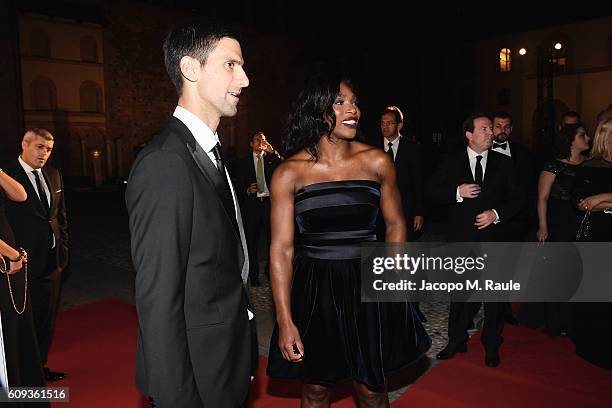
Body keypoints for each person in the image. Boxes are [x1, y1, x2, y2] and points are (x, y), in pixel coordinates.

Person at [266, 76, 430, 407]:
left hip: (367, 283)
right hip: (315, 288)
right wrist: (285, 320)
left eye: (354, 101)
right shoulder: (289, 172)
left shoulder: (376, 161)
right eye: (340, 102)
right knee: (315, 389)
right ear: (318, 111)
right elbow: (281, 251)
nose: (353, 109)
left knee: (371, 389)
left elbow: (397, 224)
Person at [126, 19, 255, 407]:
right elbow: (158, 298)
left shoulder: (210, 153)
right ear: (190, 69)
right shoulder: (165, 162)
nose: (244, 79)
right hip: (194, 380)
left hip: (222, 363)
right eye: (231, 65)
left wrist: (242, 351)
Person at [426, 113, 523, 367]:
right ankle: (456, 340)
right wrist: (456, 192)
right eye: (485, 129)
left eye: (491, 128)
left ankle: (491, 344)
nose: (491, 132)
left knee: (494, 299)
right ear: (469, 134)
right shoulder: (451, 161)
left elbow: (519, 199)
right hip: (462, 240)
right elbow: (430, 192)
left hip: (494, 240)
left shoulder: (504, 163)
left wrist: (496, 214)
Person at [4, 128, 69, 382]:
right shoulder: (7, 175)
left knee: (45, 320)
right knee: (23, 321)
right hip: (21, 263)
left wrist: (63, 252)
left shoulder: (54, 174)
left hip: (52, 263)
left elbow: (61, 217)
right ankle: (20, 373)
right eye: (39, 147)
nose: (44, 153)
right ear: (25, 144)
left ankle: (39, 367)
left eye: (49, 149)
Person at [519, 123, 590, 336]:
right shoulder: (553, 166)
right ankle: (554, 321)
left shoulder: (590, 164)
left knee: (578, 273)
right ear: (571, 140)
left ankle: (573, 321)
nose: (587, 138)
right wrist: (543, 226)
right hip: (558, 223)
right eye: (582, 135)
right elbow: (542, 197)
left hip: (582, 222)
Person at [0, 168, 49, 407]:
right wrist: (14, 255)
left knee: (18, 331)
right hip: (6, 260)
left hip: (10, 264)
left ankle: (21, 393)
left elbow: (20, 195)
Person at [572, 118, 612, 370]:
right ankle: (594, 345)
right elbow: (581, 203)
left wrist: (600, 199)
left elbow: (593, 202)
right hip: (597, 235)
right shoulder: (589, 167)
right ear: (603, 137)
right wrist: (596, 201)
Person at [235, 131, 282, 286]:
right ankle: (253, 276)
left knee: (272, 242)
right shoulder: (243, 162)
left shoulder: (271, 160)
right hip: (252, 207)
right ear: (251, 143)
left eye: (263, 140)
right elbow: (237, 185)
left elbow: (286, 168)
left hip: (269, 205)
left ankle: (270, 273)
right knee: (252, 242)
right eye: (257, 140)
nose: (260, 142)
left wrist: (273, 151)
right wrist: (247, 190)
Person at [375, 106, 424, 240]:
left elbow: (418, 181)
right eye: (382, 123)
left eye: (389, 123)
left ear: (399, 125)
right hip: (377, 210)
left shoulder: (412, 148)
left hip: (405, 209)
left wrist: (419, 212)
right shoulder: (372, 147)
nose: (385, 126)